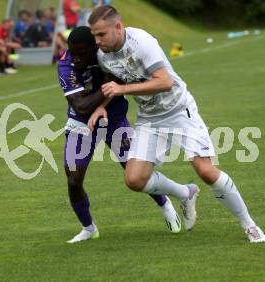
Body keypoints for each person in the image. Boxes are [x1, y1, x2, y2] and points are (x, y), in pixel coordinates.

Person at [88, 5, 265, 243]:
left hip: (178, 110)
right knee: (134, 180)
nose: (97, 41)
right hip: (150, 118)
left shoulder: (142, 42)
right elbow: (113, 83)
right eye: (94, 36)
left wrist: (123, 89)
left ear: (118, 27)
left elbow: (164, 82)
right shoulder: (103, 56)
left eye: (101, 34)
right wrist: (102, 104)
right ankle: (186, 193)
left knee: (205, 170)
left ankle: (249, 223)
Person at [58, 26, 183, 243]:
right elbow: (81, 106)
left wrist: (112, 85)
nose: (75, 59)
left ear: (93, 48)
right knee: (73, 179)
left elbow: (126, 77)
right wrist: (109, 86)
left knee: (136, 174)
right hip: (81, 123)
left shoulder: (107, 53)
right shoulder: (65, 64)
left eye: (80, 53)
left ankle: (165, 205)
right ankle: (88, 228)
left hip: (114, 119)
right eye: (72, 52)